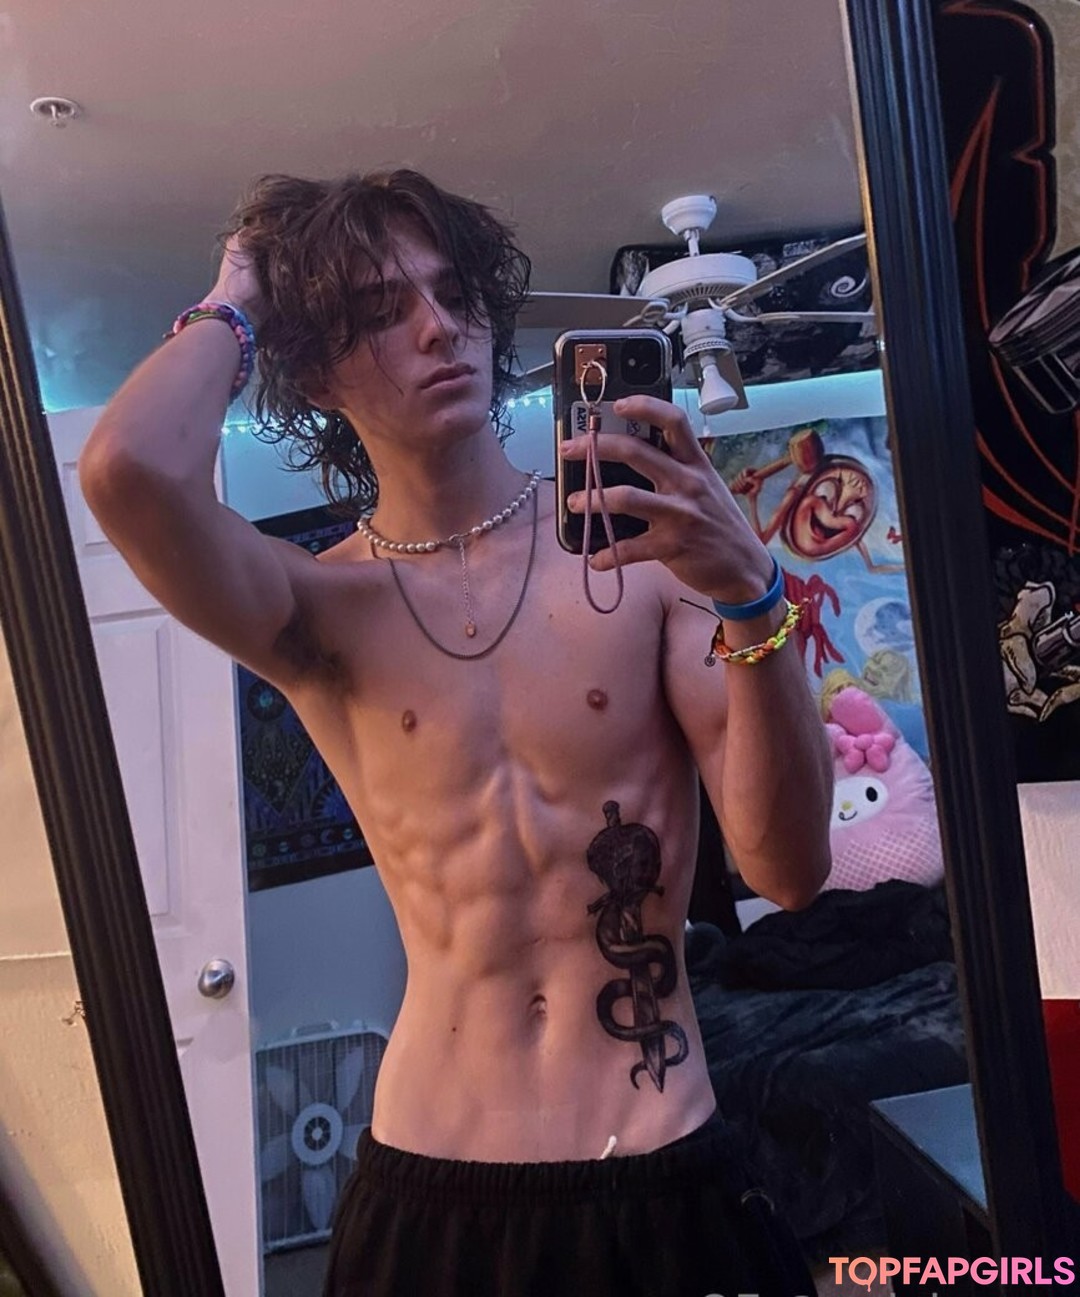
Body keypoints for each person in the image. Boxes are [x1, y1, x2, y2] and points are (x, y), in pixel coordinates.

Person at [78, 169, 832, 1297]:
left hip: (659, 1158)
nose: (438, 328)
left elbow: (790, 870)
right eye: (381, 311)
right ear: (318, 372)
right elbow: (126, 470)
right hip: (431, 1187)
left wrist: (752, 599)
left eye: (453, 293)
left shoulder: (643, 561)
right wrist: (241, 295)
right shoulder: (316, 610)